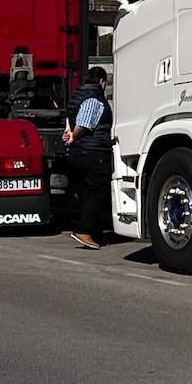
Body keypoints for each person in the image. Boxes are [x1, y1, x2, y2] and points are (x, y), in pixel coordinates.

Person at [63, 66, 113, 249]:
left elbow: (70, 121)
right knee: (99, 193)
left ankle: (94, 233)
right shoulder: (94, 98)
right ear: (101, 81)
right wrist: (76, 136)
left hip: (78, 152)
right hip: (93, 151)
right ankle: (83, 230)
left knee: (86, 193)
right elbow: (85, 123)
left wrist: (69, 137)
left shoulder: (77, 95)